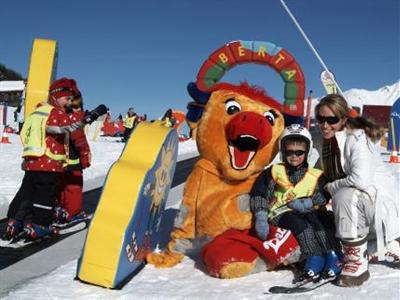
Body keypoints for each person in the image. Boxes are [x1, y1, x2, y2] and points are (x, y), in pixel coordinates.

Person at [1, 78, 107, 242]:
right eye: (67, 98)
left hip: (31, 162)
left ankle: (14, 221)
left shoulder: (36, 113)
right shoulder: (54, 112)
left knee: (26, 194)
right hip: (49, 163)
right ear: (56, 96)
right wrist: (89, 116)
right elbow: (67, 126)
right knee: (46, 195)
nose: (69, 102)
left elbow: (25, 134)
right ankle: (40, 225)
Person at [315, 94, 399, 287]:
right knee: (333, 203)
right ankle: (389, 245)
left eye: (332, 119)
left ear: (344, 119)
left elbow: (360, 181)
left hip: (381, 207)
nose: (325, 125)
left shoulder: (357, 138)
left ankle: (357, 260)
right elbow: (320, 174)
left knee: (344, 195)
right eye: (321, 119)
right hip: (365, 210)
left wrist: (331, 188)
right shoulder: (328, 143)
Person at [250, 124, 341, 281]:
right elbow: (259, 193)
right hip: (281, 212)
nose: (294, 156)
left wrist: (309, 203)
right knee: (299, 224)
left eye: (299, 152)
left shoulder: (315, 175)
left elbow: (323, 195)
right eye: (289, 152)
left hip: (308, 210)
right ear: (283, 152)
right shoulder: (273, 172)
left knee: (321, 220)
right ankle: (314, 256)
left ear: (307, 152)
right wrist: (260, 215)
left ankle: (332, 254)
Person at [53, 80, 91, 226]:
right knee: (74, 185)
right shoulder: (74, 118)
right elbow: (79, 139)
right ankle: (73, 213)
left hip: (59, 156)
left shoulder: (58, 115)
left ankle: (60, 209)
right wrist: (85, 155)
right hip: (73, 156)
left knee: (60, 184)